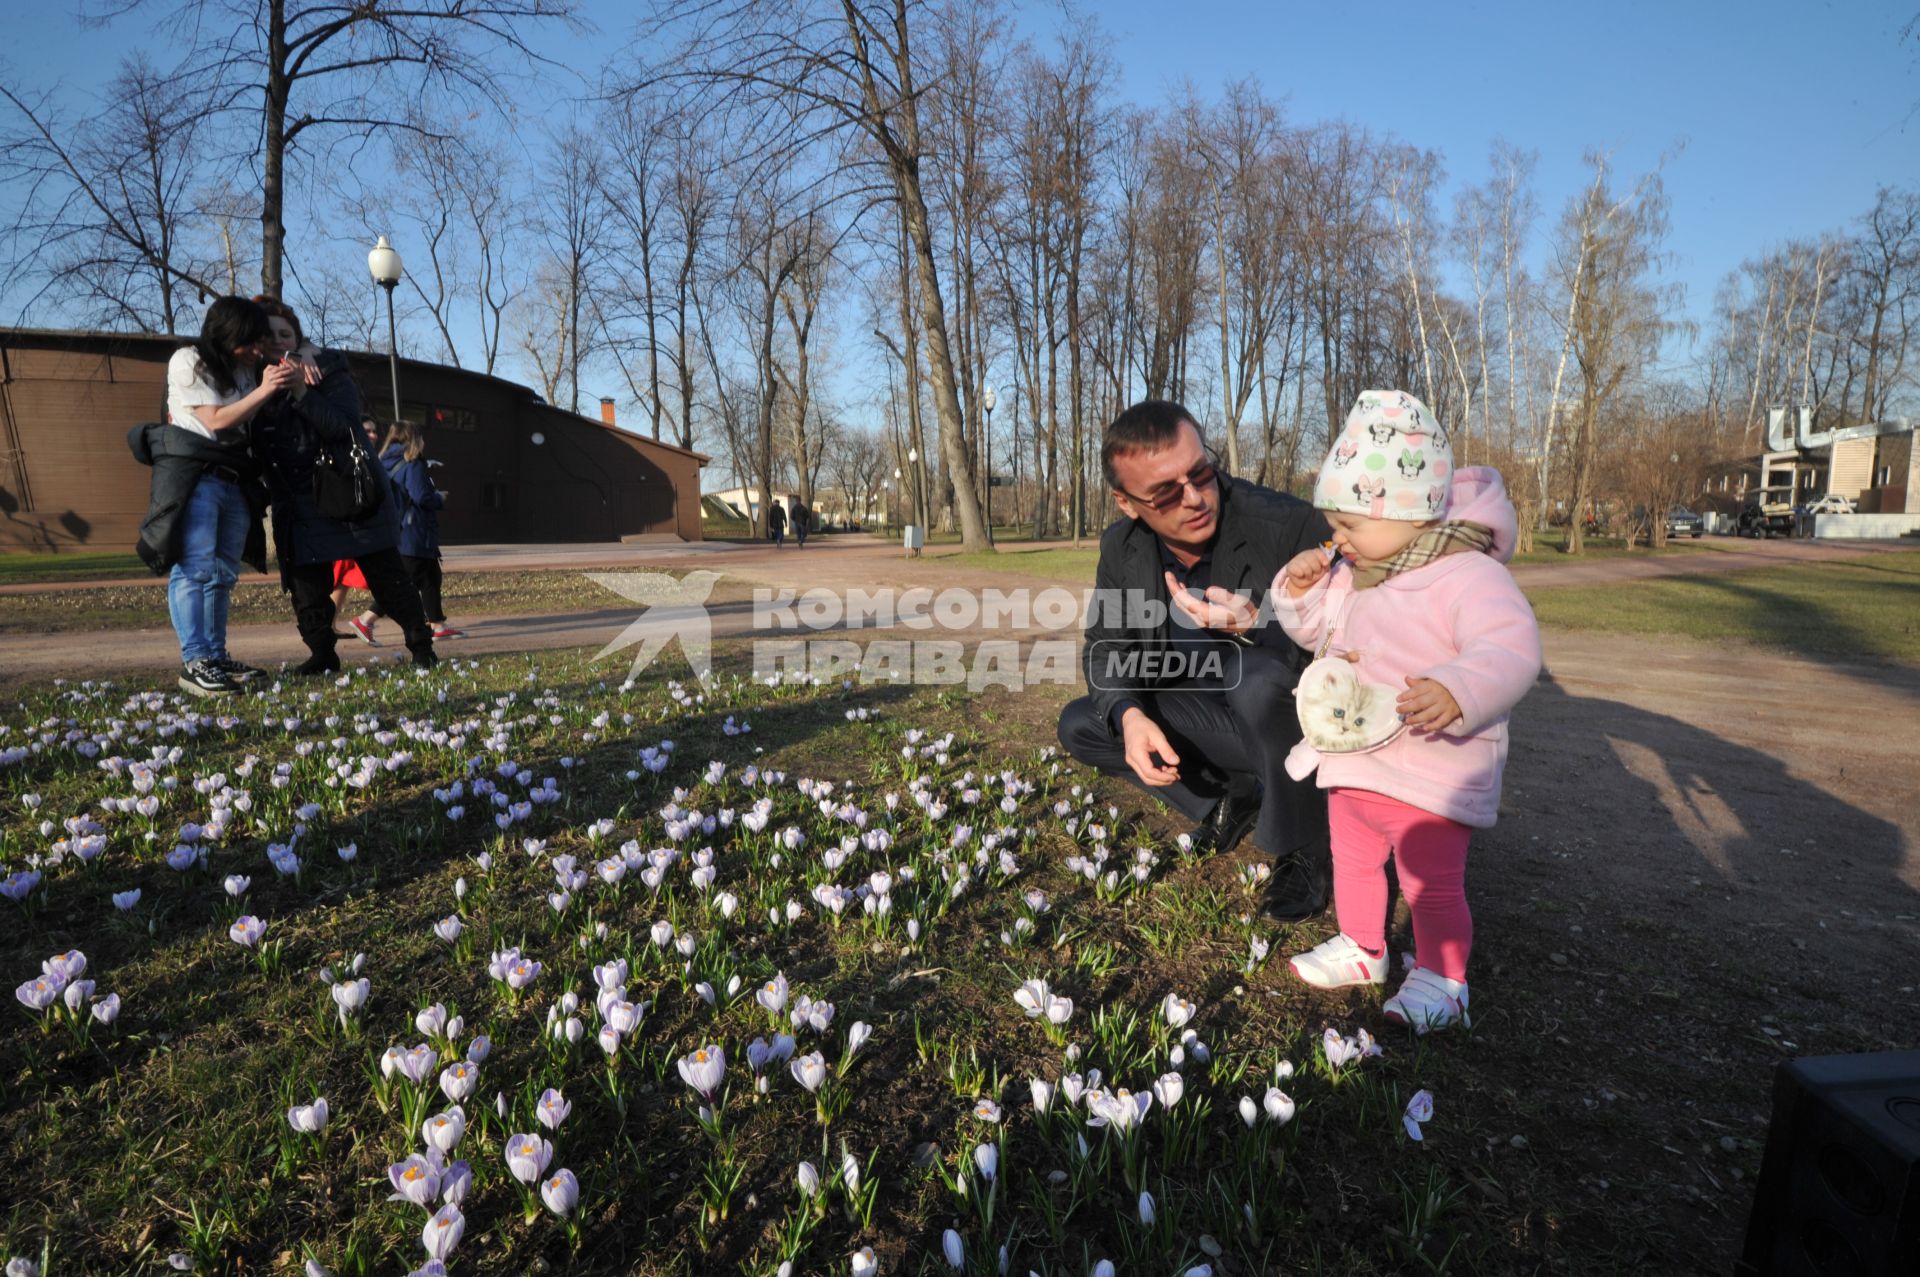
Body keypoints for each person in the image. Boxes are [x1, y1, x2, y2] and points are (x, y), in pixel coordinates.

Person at [1272, 389, 1541, 1032]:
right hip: (1356, 759)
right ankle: (1365, 947)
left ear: (1412, 514)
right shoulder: (1358, 573)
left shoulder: (1469, 576)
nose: (1339, 540)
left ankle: (1444, 980)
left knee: (1431, 883)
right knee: (1355, 858)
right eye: (1335, 526)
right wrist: (1299, 591)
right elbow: (1320, 637)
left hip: (1431, 769)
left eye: (1350, 526)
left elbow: (1511, 648)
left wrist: (1460, 688)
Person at [1056, 400, 1334, 921]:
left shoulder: (1287, 525)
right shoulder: (1122, 546)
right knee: (1085, 723)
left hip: (1294, 728)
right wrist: (1130, 716)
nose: (1194, 498)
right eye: (1166, 492)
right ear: (1127, 502)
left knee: (1249, 679)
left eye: (1201, 473)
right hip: (1209, 723)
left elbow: (1356, 638)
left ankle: (1307, 844)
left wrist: (1261, 624)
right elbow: (1105, 646)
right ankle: (1229, 801)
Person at [248, 296, 437, 674]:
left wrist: (302, 391)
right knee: (306, 584)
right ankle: (322, 654)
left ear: (299, 338)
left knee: (386, 576)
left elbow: (345, 428)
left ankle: (421, 647)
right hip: (296, 498)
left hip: (347, 491)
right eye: (269, 335)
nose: (278, 342)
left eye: (286, 334)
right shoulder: (249, 380)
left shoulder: (326, 371)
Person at [132, 295, 295, 695]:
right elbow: (215, 421)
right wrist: (265, 389)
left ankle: (216, 656)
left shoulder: (242, 369)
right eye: (252, 341)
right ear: (229, 334)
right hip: (199, 478)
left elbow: (296, 348)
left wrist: (297, 358)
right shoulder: (188, 360)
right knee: (194, 568)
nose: (258, 350)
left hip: (234, 479)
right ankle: (195, 660)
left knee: (222, 574)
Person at [364, 418, 462, 640]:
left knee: (430, 577)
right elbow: (420, 496)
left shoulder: (383, 461)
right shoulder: (413, 462)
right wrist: (438, 498)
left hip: (397, 528)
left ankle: (437, 624)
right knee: (405, 582)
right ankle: (365, 619)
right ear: (415, 439)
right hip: (415, 531)